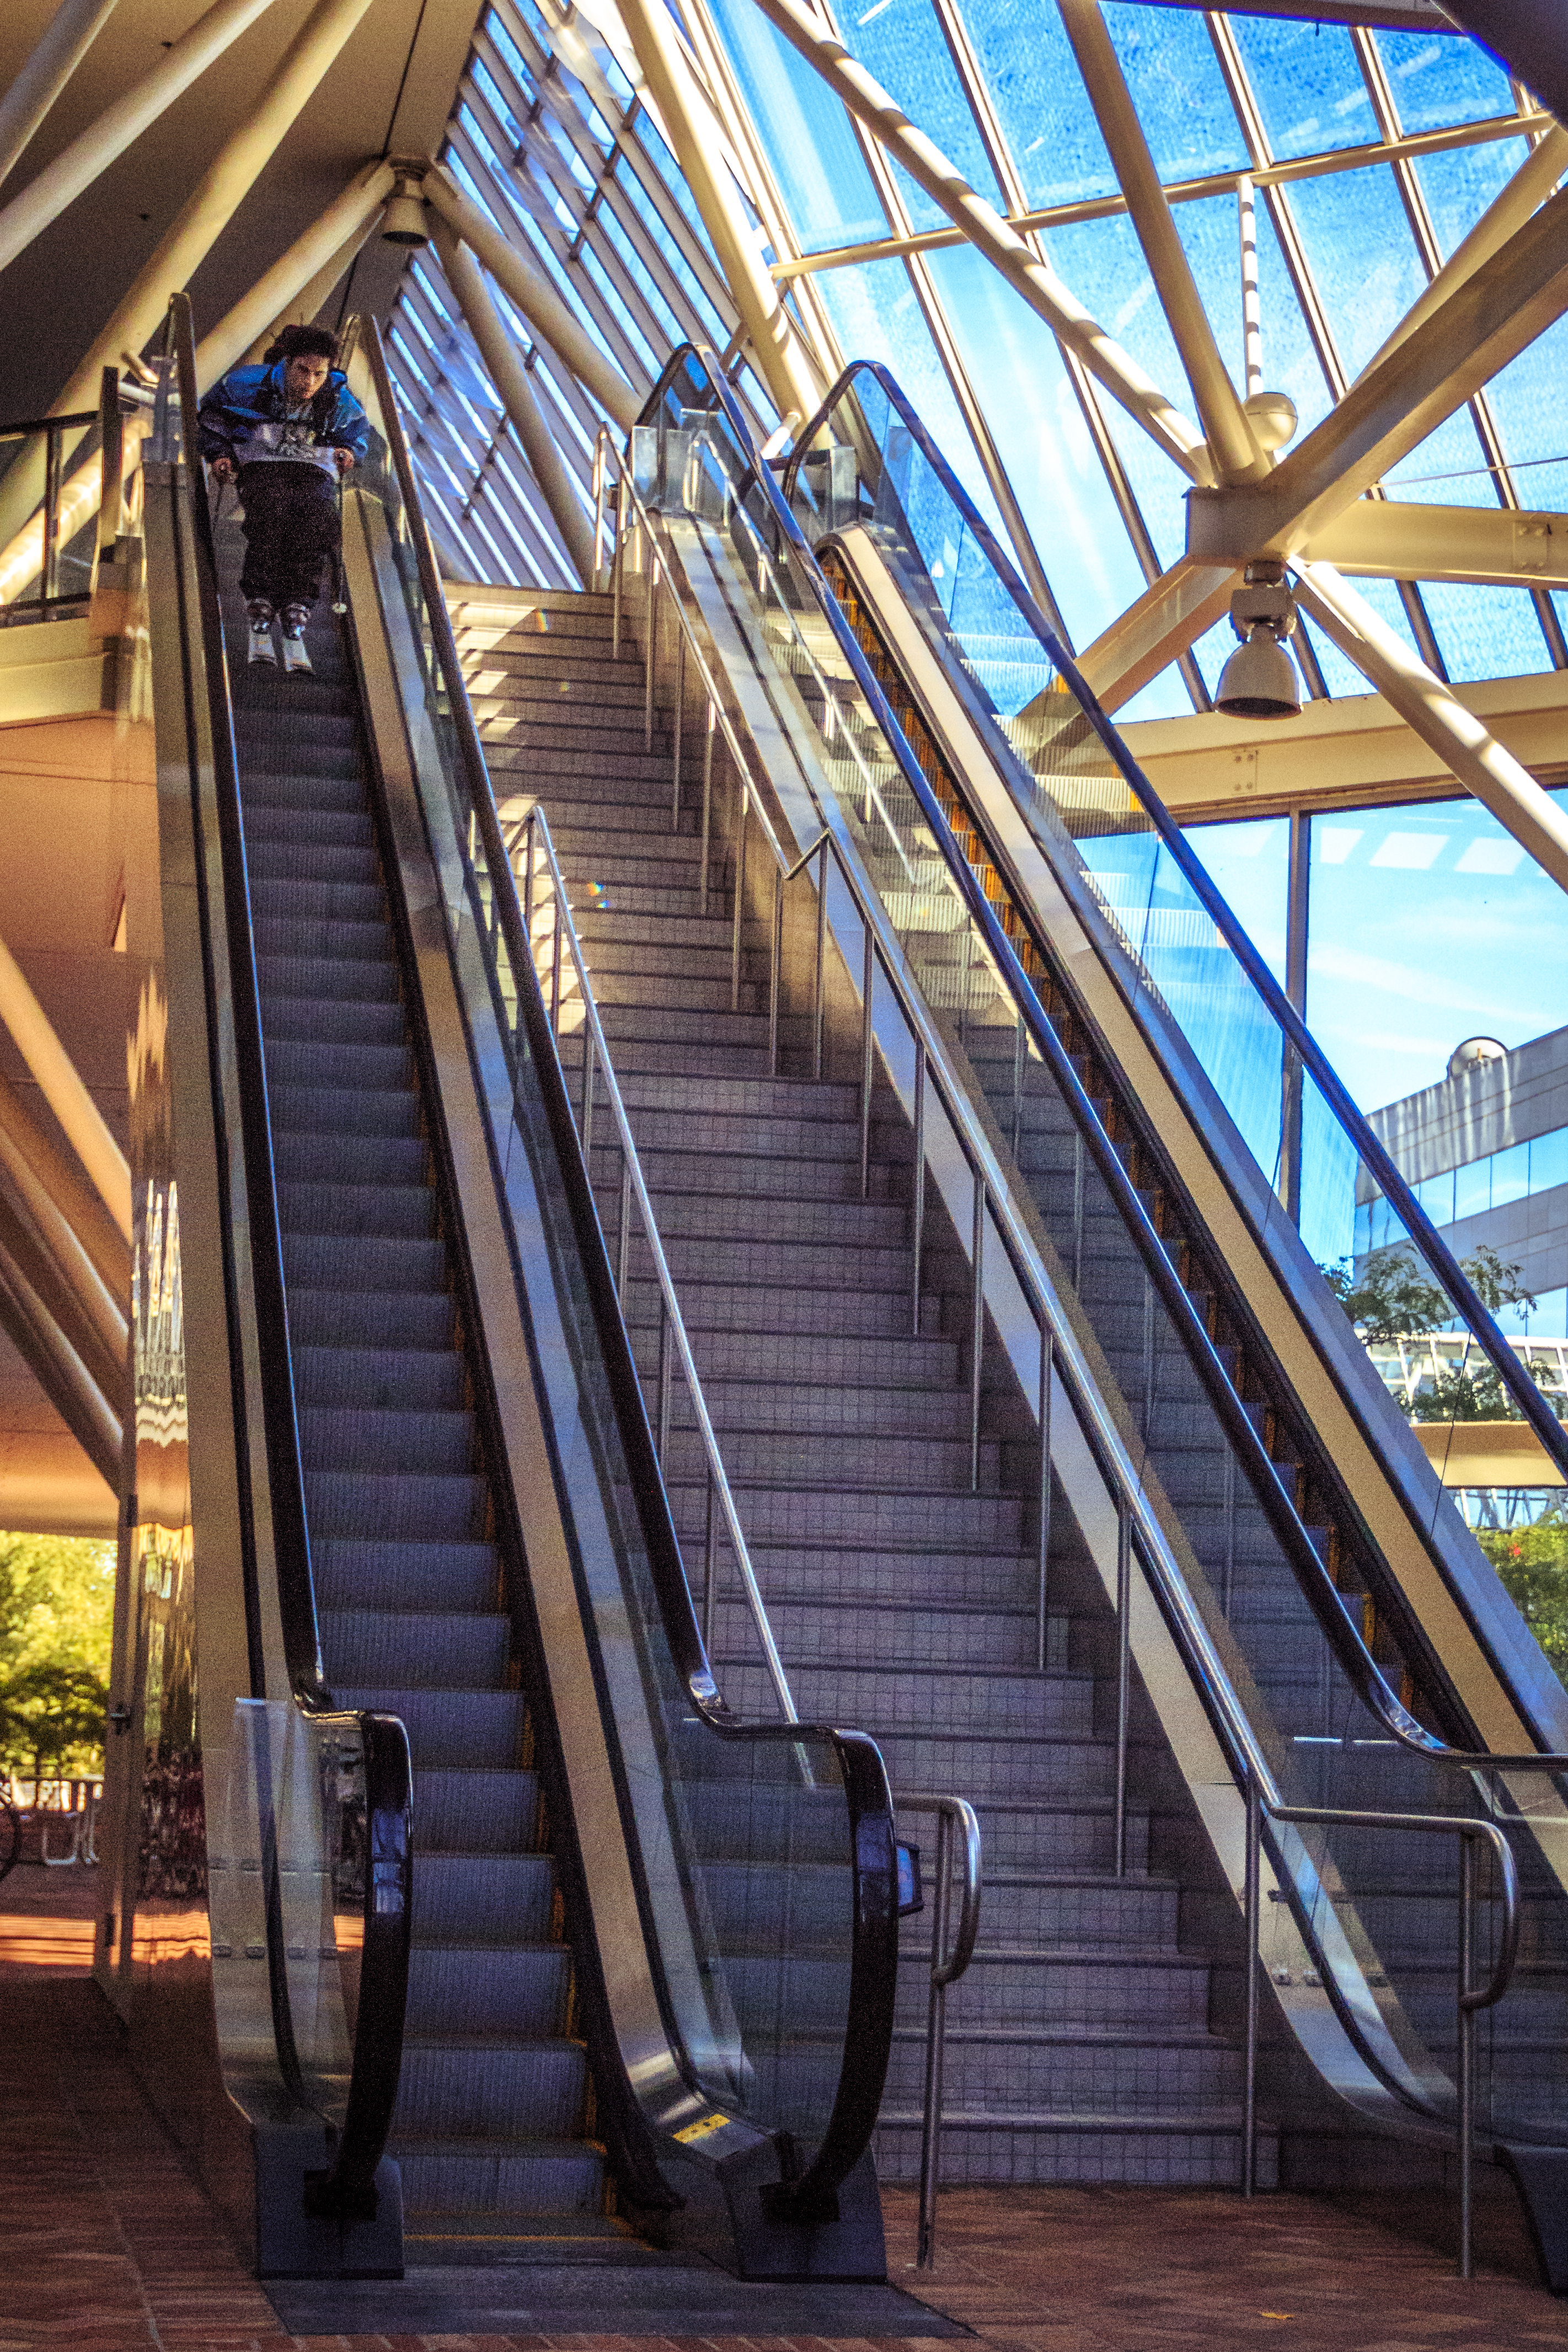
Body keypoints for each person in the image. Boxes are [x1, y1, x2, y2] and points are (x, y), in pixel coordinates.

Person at [197, 323, 370, 673]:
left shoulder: (337, 396)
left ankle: (298, 603)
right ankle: (261, 598)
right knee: (271, 514)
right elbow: (211, 418)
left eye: (319, 374)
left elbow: (356, 432)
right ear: (287, 363)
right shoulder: (246, 384)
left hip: (313, 467)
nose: (310, 382)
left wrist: (349, 451)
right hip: (260, 463)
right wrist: (219, 453)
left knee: (319, 519)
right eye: (303, 370)